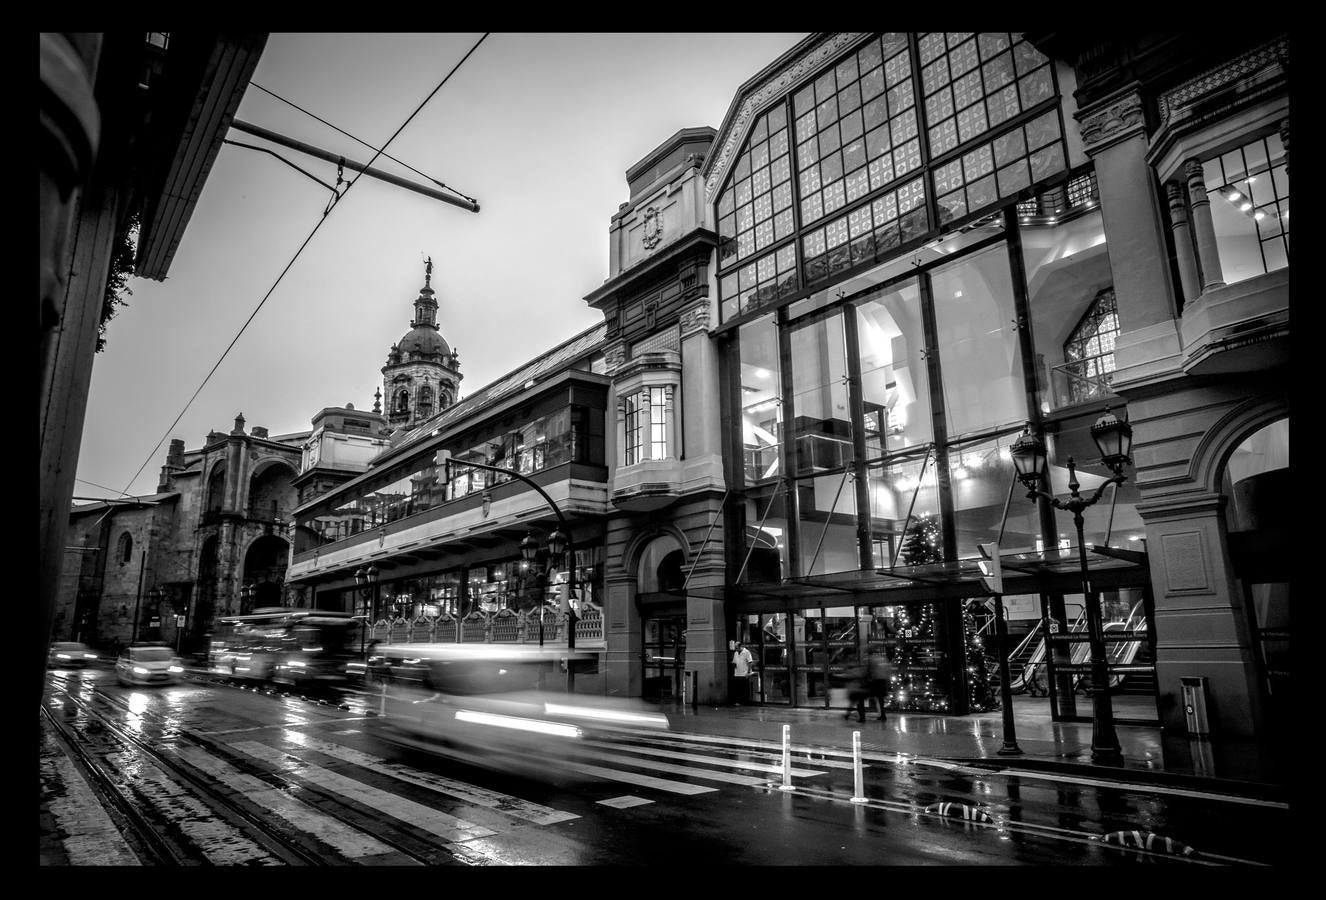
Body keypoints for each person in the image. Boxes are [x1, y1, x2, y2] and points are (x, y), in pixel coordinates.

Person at [864, 650, 894, 721]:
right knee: (880, 699)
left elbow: (870, 670)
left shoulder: (872, 659)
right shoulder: (884, 659)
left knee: (877, 699)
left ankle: (881, 715)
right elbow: (888, 671)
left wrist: (869, 679)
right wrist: (888, 682)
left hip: (876, 681)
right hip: (883, 681)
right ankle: (882, 715)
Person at [731, 641, 755, 705]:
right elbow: (734, 661)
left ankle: (744, 701)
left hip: (744, 673)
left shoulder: (746, 652)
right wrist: (733, 664)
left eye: (736, 647)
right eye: (735, 648)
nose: (736, 649)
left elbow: (750, 662)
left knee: (743, 688)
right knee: (737, 688)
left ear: (740, 646)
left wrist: (748, 672)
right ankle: (738, 701)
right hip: (737, 673)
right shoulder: (736, 653)